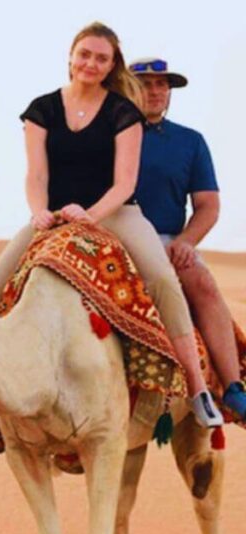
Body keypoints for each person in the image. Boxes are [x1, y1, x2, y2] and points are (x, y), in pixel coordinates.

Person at [0, 22, 223, 431]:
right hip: (54, 214)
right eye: (85, 54)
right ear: (71, 57)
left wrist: (90, 215)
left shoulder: (122, 112)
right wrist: (40, 211)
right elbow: (36, 175)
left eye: (101, 58)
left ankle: (198, 389)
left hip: (116, 212)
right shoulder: (41, 109)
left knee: (163, 279)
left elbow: (124, 182)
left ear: (112, 66)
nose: (91, 63)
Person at [129, 57, 246, 419]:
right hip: (112, 237)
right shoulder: (109, 137)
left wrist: (186, 241)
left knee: (205, 285)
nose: (155, 91)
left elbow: (208, 206)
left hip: (168, 241)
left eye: (162, 85)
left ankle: (232, 388)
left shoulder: (190, 142)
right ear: (128, 88)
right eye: (146, 84)